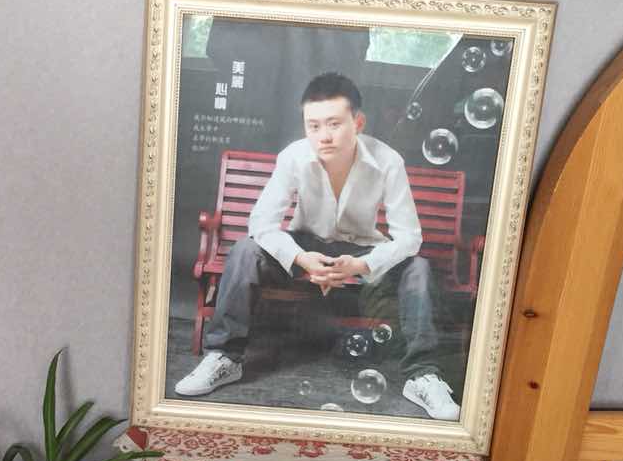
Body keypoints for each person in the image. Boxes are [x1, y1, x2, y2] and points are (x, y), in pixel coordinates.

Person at [174, 71, 461, 421]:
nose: (323, 136)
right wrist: (300, 258)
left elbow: (410, 236)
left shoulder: (388, 161)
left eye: (334, 124)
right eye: (313, 126)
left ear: (358, 122)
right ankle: (224, 358)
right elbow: (262, 223)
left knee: (419, 267)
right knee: (245, 249)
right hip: (304, 245)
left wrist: (363, 264)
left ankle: (423, 376)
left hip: (361, 249)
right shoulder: (293, 157)